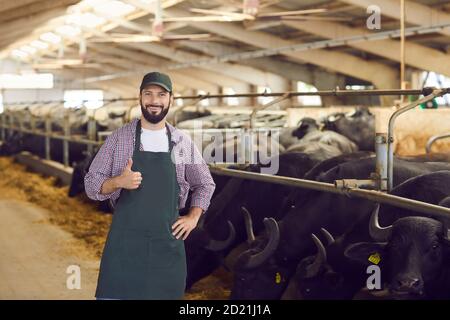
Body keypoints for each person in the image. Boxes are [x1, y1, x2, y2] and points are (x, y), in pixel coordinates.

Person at [84, 72, 216, 300]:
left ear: (170, 100)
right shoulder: (119, 138)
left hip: (166, 247)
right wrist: (118, 182)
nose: (155, 100)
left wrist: (193, 217)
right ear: (140, 98)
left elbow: (205, 183)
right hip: (125, 247)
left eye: (161, 95)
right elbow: (91, 183)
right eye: (149, 94)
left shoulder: (181, 142)